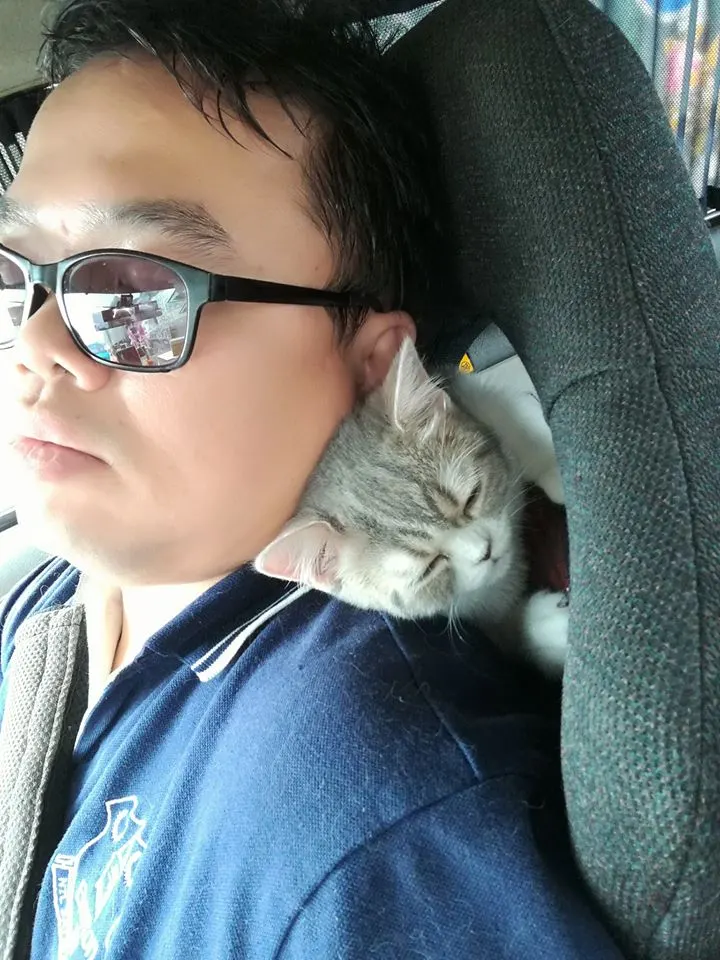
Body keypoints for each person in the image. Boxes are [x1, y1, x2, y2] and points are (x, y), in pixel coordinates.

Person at [0, 1, 623, 956]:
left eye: (134, 292)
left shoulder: (372, 827)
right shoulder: (46, 598)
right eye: (18, 277)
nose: (35, 345)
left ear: (374, 365)